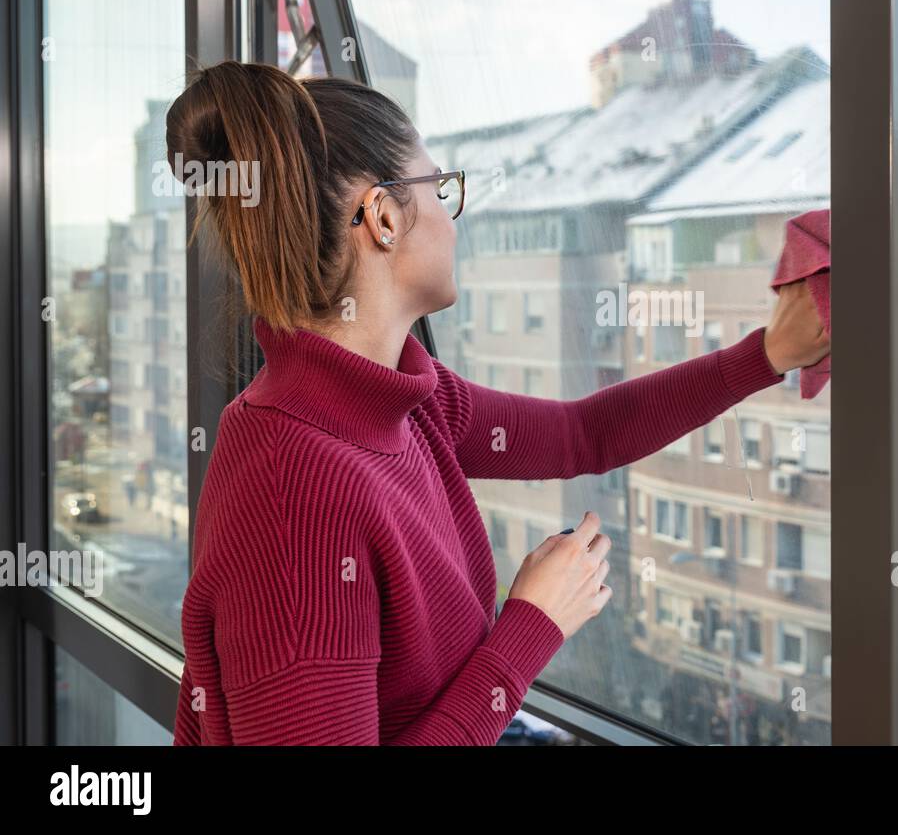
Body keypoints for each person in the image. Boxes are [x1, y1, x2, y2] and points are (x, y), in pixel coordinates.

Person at [166, 61, 830, 745]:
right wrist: (529, 629)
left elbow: (585, 433)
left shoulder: (408, 400)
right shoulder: (293, 495)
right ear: (385, 217)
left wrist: (768, 354)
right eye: (441, 188)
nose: (455, 221)